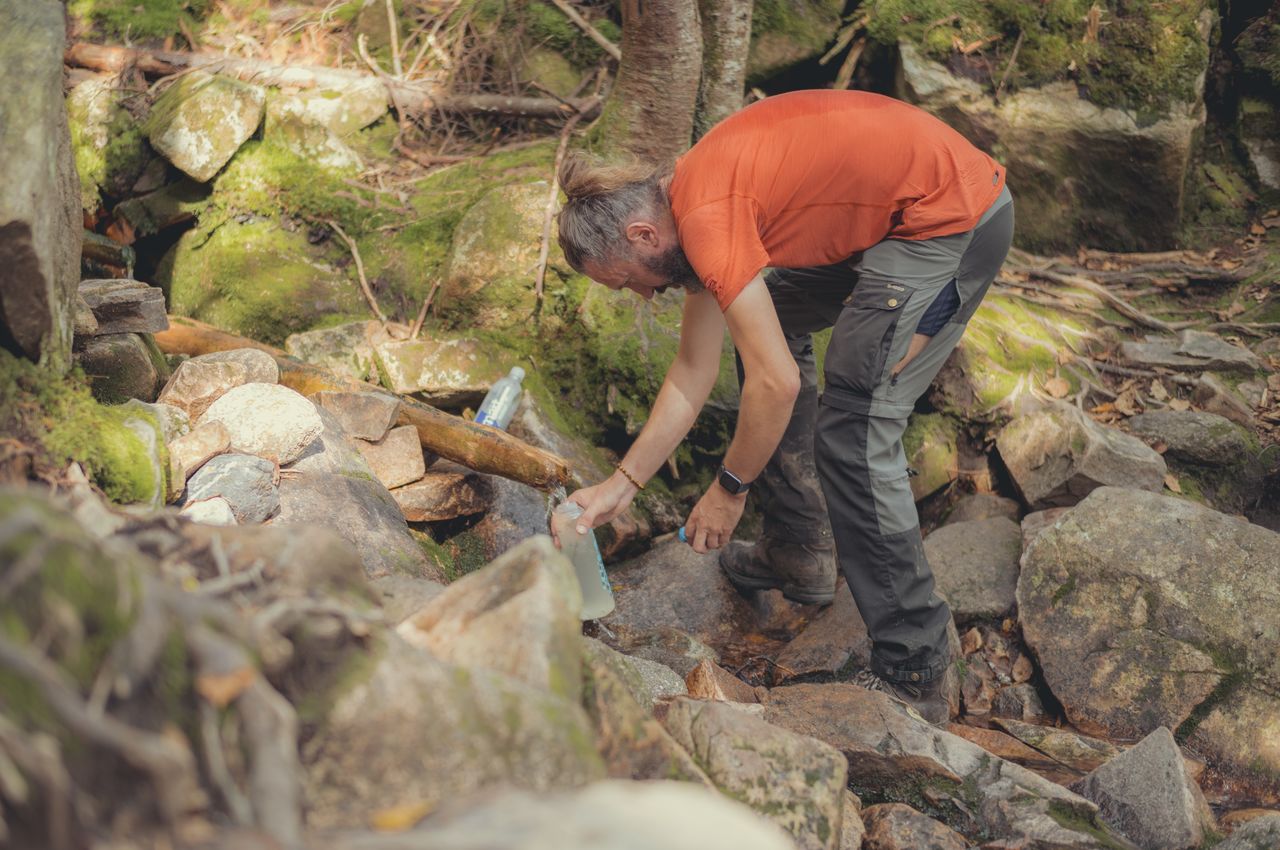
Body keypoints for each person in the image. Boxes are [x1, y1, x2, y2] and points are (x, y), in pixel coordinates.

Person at [556, 89, 1014, 725]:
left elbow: (778, 386)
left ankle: (916, 667)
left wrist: (729, 487)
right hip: (895, 223)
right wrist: (620, 485)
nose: (640, 296)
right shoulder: (689, 207)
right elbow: (692, 373)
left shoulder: (707, 218)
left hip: (951, 221)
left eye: (629, 279)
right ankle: (802, 553)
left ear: (642, 234)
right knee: (767, 329)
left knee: (855, 429)